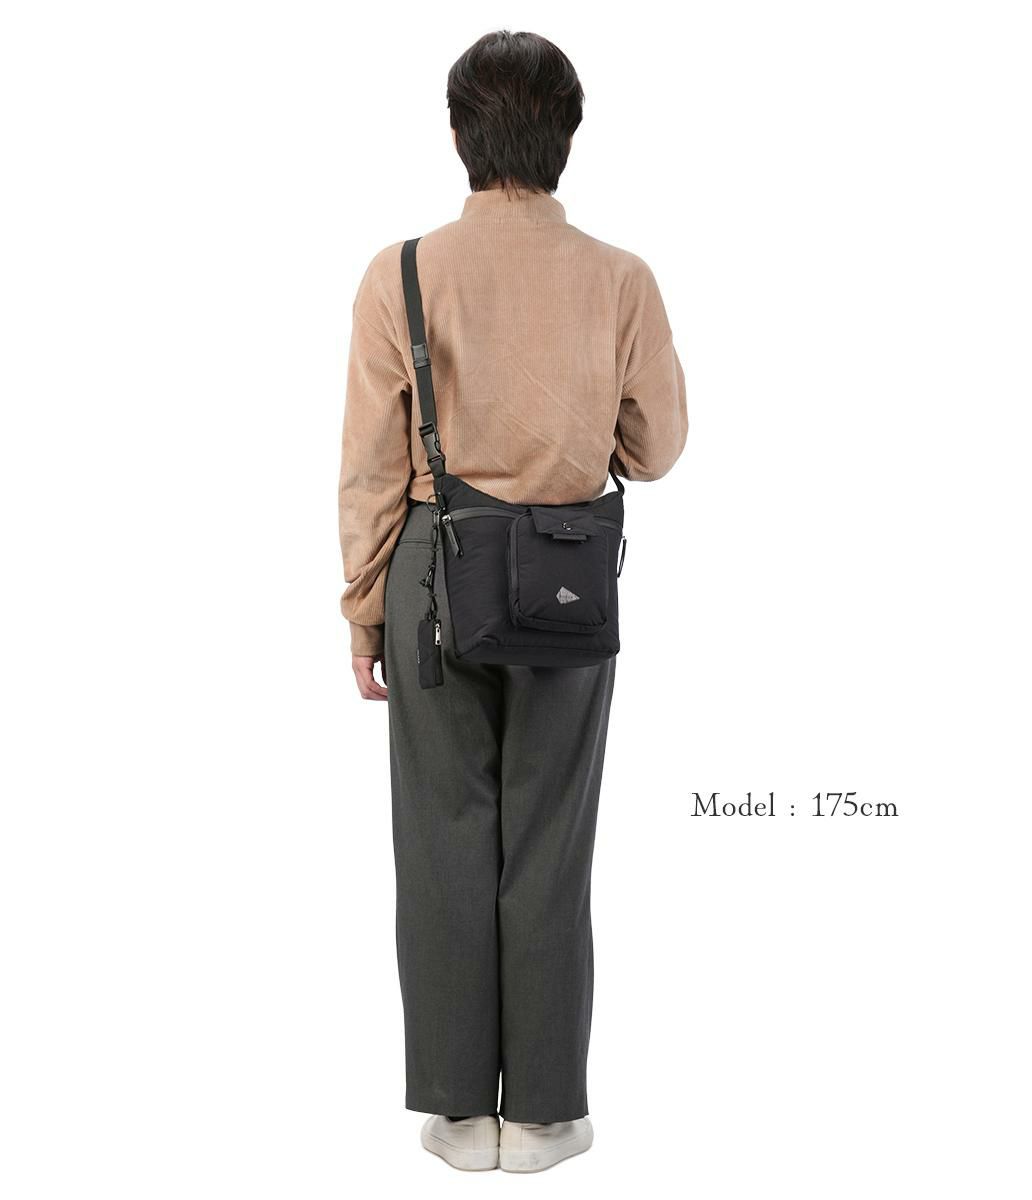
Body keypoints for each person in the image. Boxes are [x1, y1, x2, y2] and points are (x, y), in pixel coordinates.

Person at [337, 30, 687, 1173]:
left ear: (457, 136)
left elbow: (371, 468)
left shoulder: (400, 274)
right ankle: (542, 1114)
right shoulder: (622, 279)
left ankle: (456, 1112)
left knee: (444, 838)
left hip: (430, 575)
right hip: (565, 577)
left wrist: (361, 608)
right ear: (568, 136)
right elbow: (659, 448)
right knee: (550, 840)